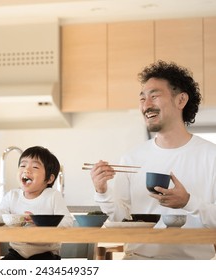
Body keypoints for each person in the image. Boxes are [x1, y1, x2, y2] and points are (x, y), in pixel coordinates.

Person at [90, 60, 216, 260]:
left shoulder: (211, 156)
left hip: (194, 267)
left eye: (154, 96)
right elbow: (121, 219)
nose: (146, 105)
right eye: (142, 98)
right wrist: (102, 191)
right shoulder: (131, 158)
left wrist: (188, 202)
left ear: (181, 100)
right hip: (139, 262)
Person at [0, 146, 73, 260]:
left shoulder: (52, 196)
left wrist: (40, 224)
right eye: (23, 165)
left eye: (35, 167)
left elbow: (68, 221)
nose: (26, 170)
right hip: (17, 253)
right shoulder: (12, 196)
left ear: (49, 179)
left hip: (46, 254)